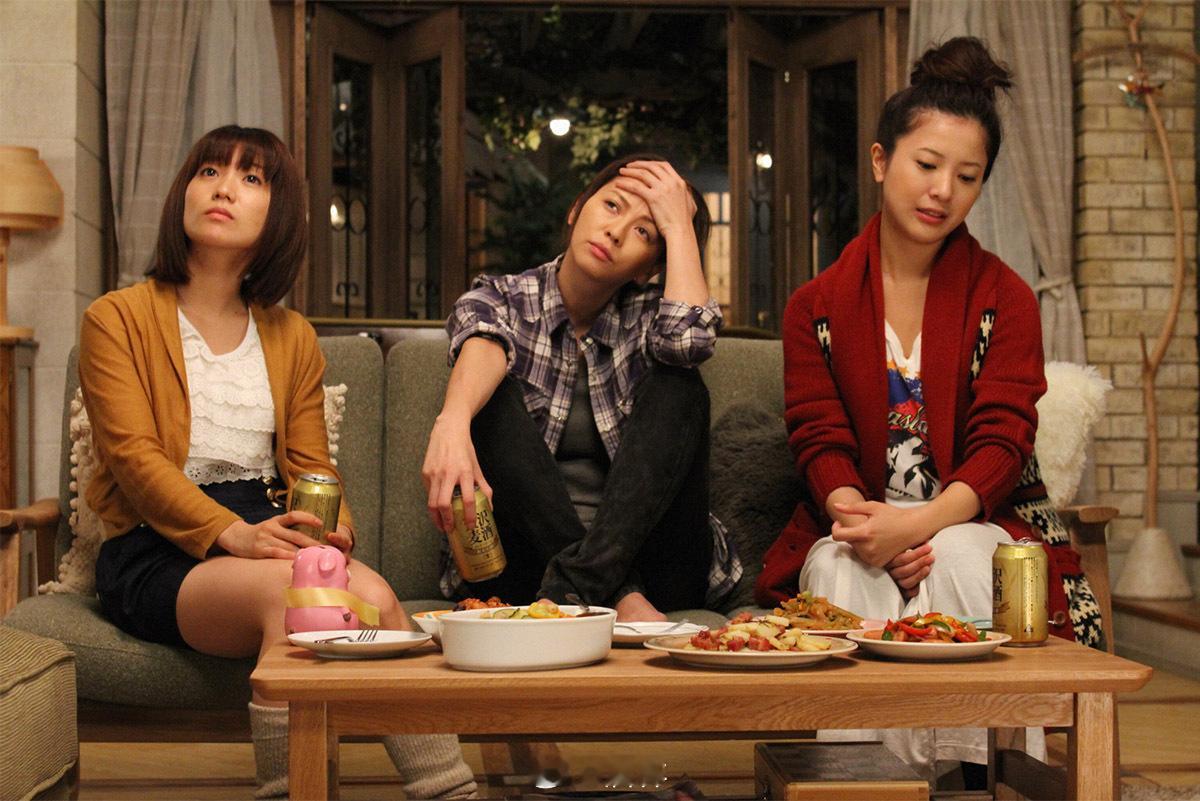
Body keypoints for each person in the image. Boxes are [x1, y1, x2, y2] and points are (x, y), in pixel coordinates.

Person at [80, 125, 476, 800]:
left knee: (380, 597)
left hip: (268, 529)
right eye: (209, 171)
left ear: (279, 212)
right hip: (157, 544)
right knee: (299, 598)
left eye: (251, 178)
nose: (223, 188)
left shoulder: (291, 335)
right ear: (185, 192)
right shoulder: (116, 319)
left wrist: (332, 530)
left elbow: (310, 464)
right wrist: (233, 535)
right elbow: (134, 460)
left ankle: (449, 790)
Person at [757, 38, 1100, 782]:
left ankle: (975, 778)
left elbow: (1004, 441)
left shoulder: (1005, 297)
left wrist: (917, 525)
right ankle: (857, 783)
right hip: (854, 518)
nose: (942, 190)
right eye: (927, 164)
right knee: (844, 572)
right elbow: (818, 437)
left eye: (967, 177)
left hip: (972, 515)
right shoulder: (814, 306)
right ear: (882, 161)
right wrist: (864, 523)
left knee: (968, 561)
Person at [421, 154, 740, 622]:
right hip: (526, 564)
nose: (615, 232)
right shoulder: (503, 296)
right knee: (487, 398)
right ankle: (612, 595)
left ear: (648, 269)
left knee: (681, 384)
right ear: (576, 209)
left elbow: (688, 341)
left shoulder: (654, 316)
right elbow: (483, 339)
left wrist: (679, 227)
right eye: (612, 206)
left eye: (644, 232)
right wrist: (452, 422)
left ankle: (581, 587)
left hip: (657, 567)